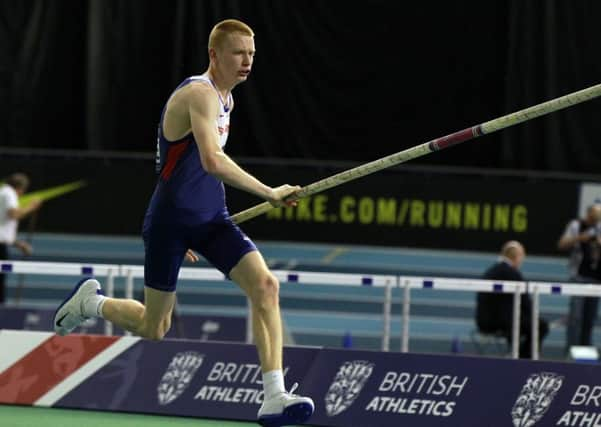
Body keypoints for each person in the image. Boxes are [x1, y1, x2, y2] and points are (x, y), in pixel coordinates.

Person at [53, 19, 314, 426]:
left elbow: (200, 173)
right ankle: (92, 302)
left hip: (211, 219)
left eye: (252, 54)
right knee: (153, 327)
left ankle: (274, 395)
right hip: (170, 224)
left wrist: (204, 220)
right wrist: (269, 192)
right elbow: (212, 160)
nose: (247, 61)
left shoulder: (228, 99)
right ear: (214, 54)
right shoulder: (200, 94)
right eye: (238, 53)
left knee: (265, 286)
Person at [475, 240, 549, 358]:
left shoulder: (492, 270)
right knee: (541, 326)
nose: (522, 261)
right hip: (500, 322)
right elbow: (525, 302)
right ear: (516, 256)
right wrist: (535, 317)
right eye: (522, 257)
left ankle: (519, 355)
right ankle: (525, 359)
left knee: (525, 323)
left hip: (484, 321)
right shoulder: (511, 273)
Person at [557, 204, 601, 351]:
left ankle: (585, 351)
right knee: (576, 317)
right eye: (594, 218)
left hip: (596, 279)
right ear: (588, 215)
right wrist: (579, 238)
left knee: (589, 318)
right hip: (579, 277)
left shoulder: (599, 227)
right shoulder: (576, 225)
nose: (595, 221)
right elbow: (562, 244)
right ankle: (571, 349)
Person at [0, 173, 42, 304]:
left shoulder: (3, 193)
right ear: (20, 188)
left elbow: (3, 229)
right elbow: (13, 214)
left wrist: (19, 244)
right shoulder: (9, 193)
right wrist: (31, 207)